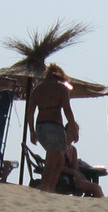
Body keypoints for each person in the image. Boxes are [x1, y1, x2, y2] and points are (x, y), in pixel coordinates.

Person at [23, 63, 80, 196]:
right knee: (54, 159)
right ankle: (47, 187)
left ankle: (49, 187)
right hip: (54, 126)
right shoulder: (61, 88)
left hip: (41, 126)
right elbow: (67, 110)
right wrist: (73, 127)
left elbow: (30, 112)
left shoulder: (37, 89)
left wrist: (32, 131)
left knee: (56, 157)